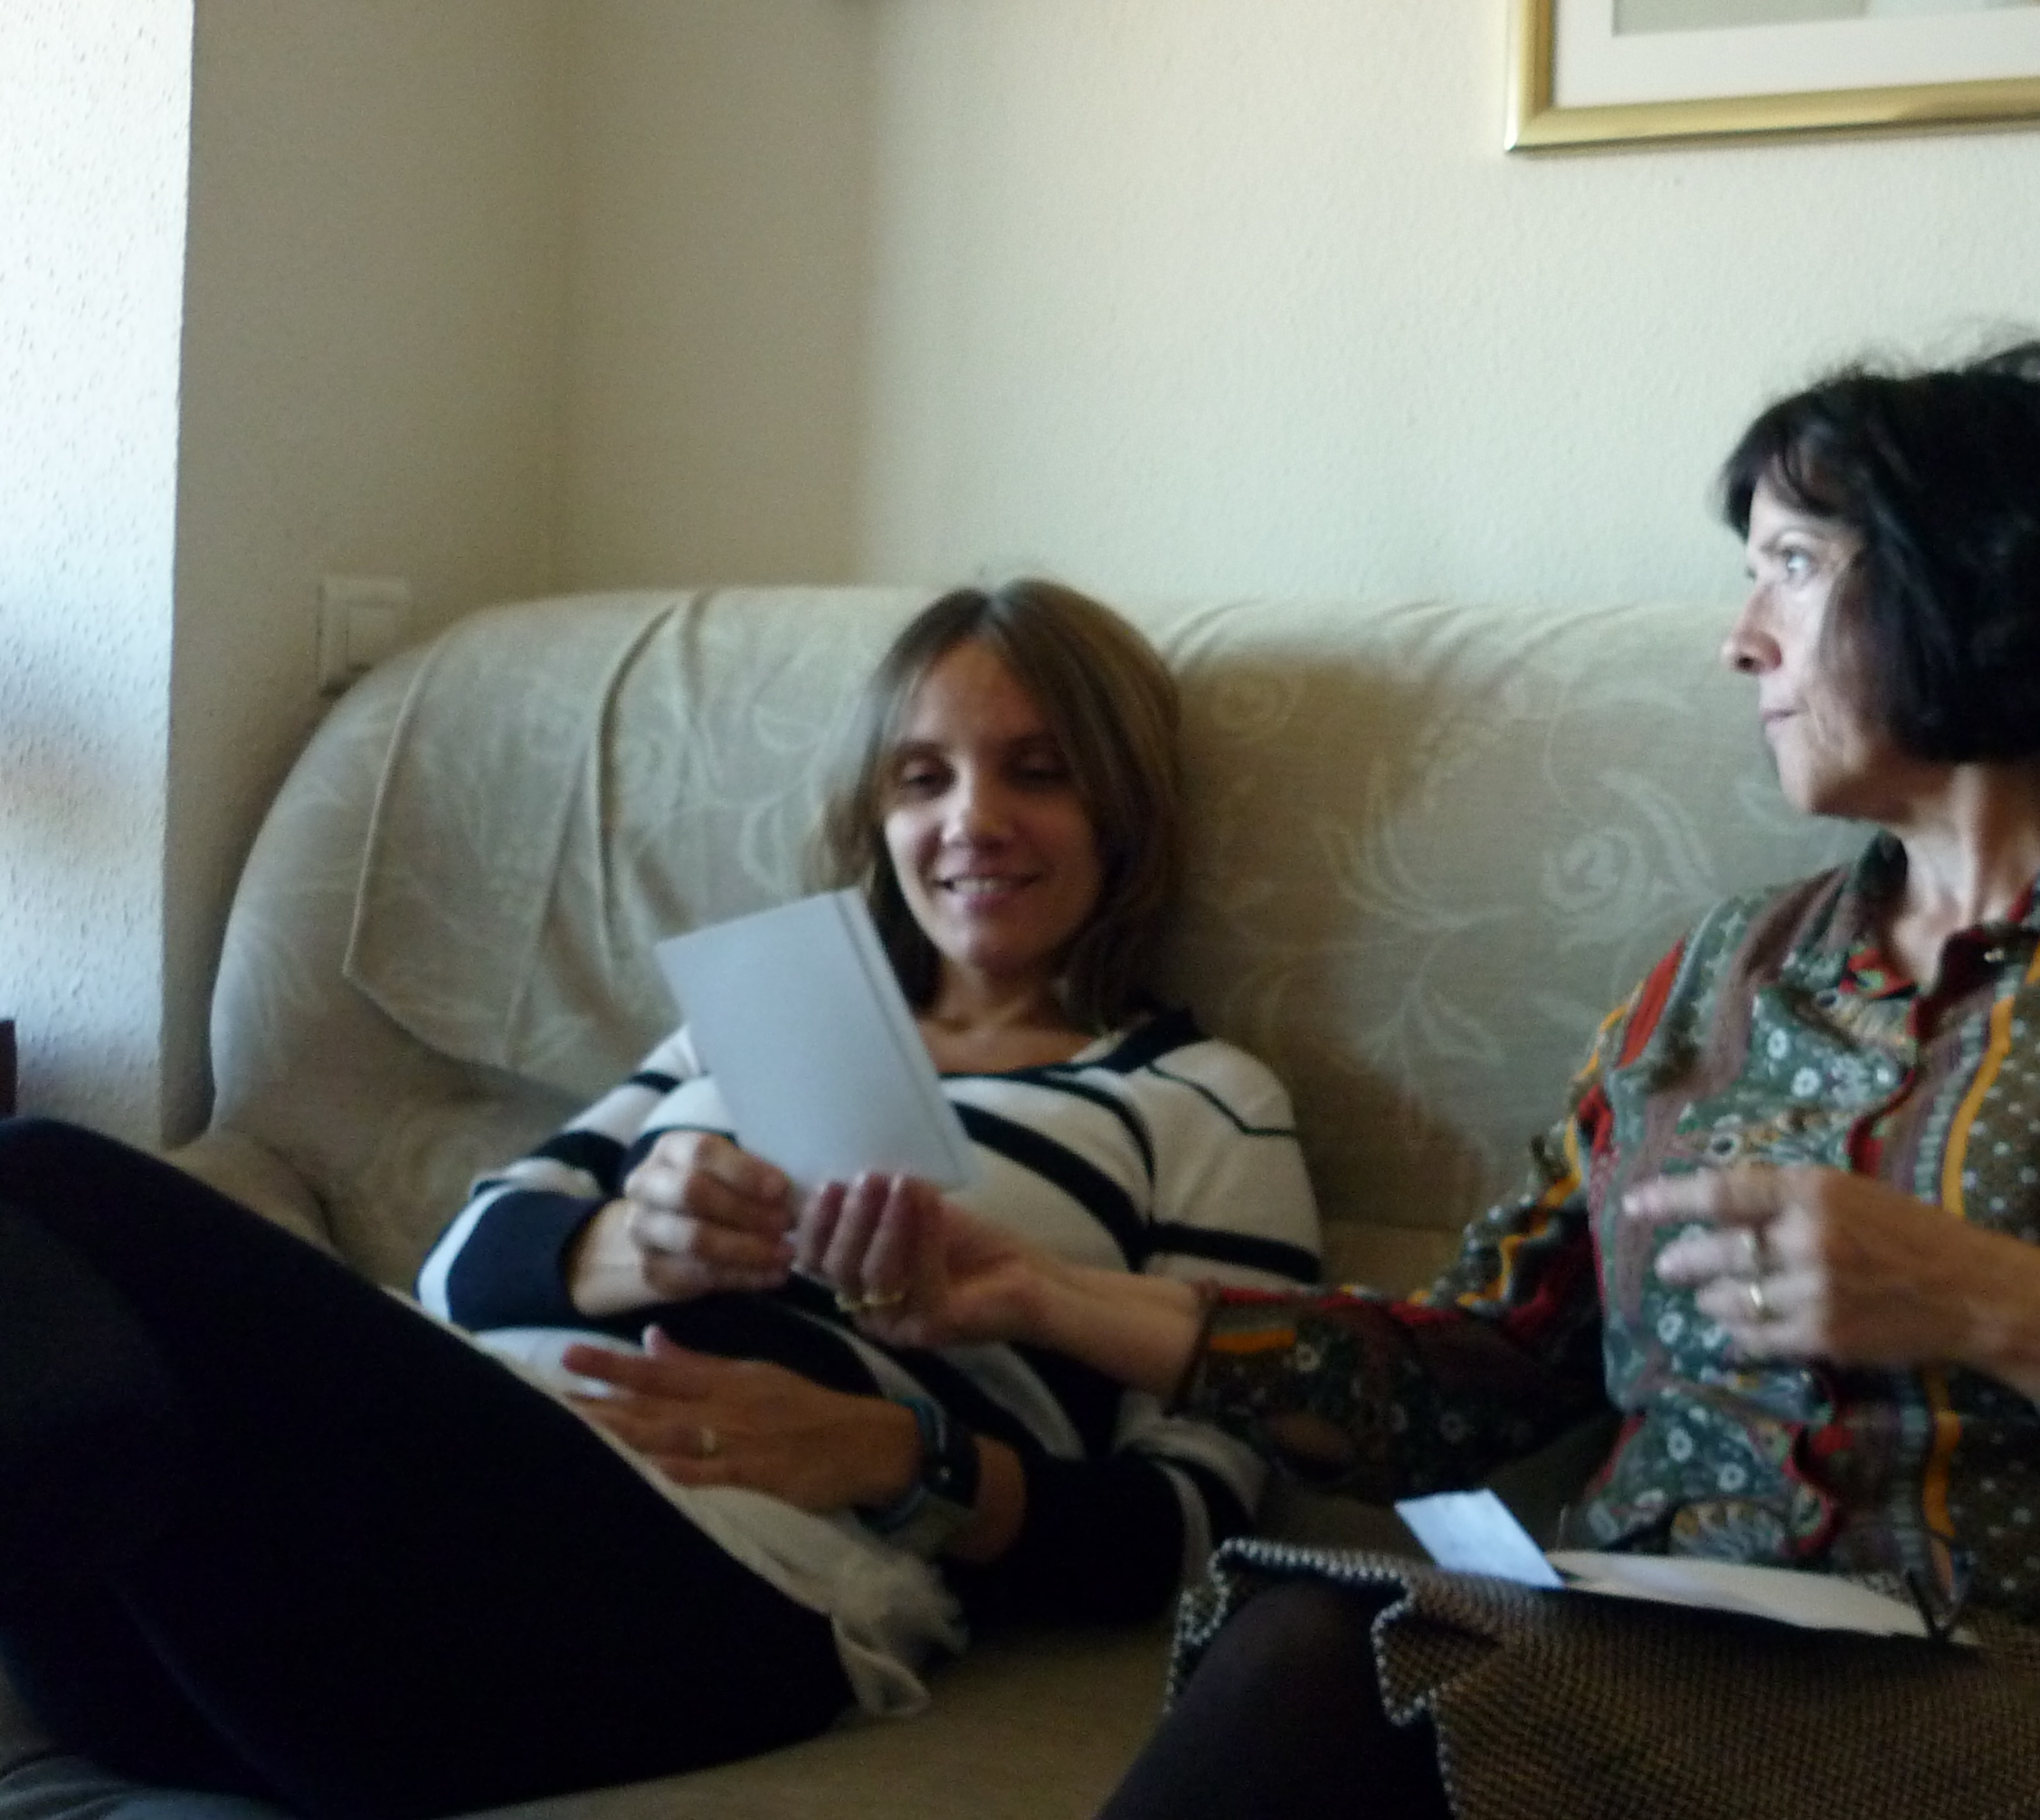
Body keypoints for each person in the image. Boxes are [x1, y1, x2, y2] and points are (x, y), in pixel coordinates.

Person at [806, 347, 2040, 1820]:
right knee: (1313, 1643)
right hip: (1669, 1638)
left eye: (1790, 563)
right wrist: (1040, 1293)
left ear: (1974, 571)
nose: (1740, 638)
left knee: (1331, 1681)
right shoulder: (1717, 974)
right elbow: (1476, 1367)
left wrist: (2008, 1306)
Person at [0, 581, 1318, 1820]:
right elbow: (460, 1267)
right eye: (923, 778)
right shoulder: (758, 1022)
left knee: (38, 1171)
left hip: (714, 1576)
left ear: (1124, 809)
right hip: (400, 1515)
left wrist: (902, 1457)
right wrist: (632, 1241)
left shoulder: (1198, 1098)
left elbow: (1197, 1530)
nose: (971, 820)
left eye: (1038, 771)